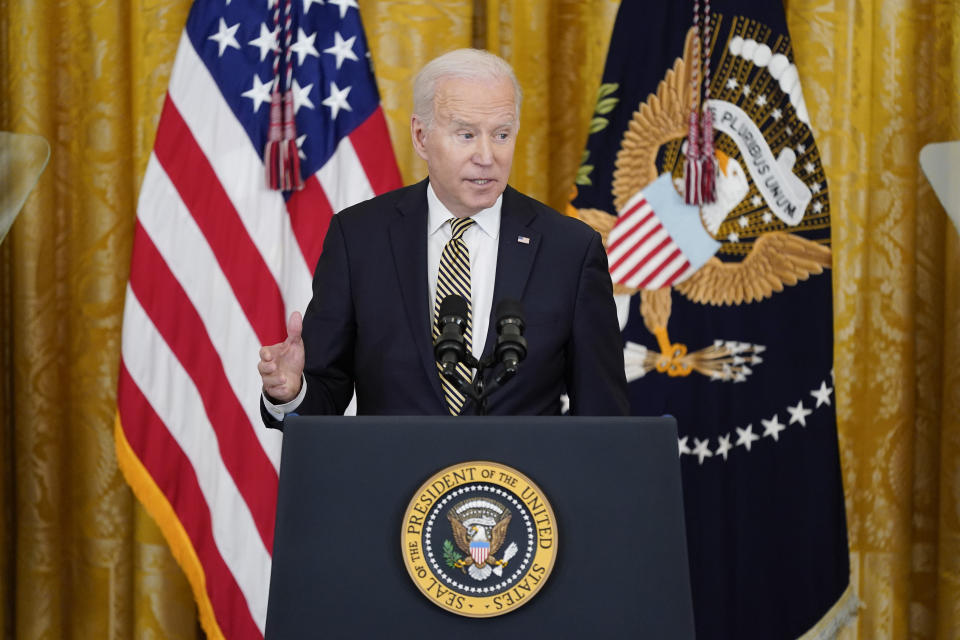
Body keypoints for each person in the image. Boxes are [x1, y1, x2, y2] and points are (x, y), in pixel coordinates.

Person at [257, 48, 627, 425]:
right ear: (421, 136)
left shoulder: (570, 250)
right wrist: (291, 392)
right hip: (396, 483)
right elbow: (324, 400)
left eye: (501, 134)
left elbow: (604, 418)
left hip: (519, 483)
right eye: (466, 134)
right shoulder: (359, 239)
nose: (487, 156)